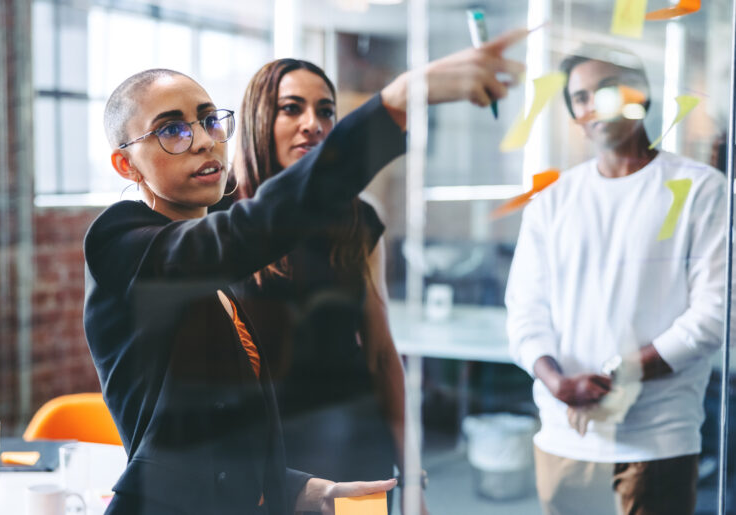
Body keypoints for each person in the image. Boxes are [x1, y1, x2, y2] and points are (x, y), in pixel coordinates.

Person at [83, 29, 527, 515]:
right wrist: (393, 105)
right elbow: (250, 230)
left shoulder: (235, 259)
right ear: (126, 165)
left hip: (322, 461)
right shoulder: (122, 243)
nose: (204, 141)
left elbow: (208, 433)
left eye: (210, 121)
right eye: (172, 129)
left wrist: (294, 488)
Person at [505, 45, 726, 515]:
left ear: (639, 94)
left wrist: (614, 376)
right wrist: (556, 381)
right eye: (580, 97)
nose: (591, 106)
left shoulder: (700, 188)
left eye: (605, 90)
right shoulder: (553, 200)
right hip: (563, 435)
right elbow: (524, 310)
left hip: (655, 439)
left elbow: (714, 314)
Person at [220, 58, 403, 499]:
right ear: (259, 117)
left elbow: (380, 354)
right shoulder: (219, 220)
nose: (313, 124)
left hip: (359, 451)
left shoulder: (358, 217)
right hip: (264, 459)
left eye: (325, 111)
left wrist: (413, 475)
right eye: (292, 108)